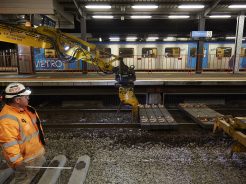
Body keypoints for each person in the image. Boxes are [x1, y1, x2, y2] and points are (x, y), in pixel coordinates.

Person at [0, 83, 46, 184]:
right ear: (17, 100)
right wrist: (18, 163)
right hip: (26, 160)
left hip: (35, 153)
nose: (28, 98)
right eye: (26, 96)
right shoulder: (7, 119)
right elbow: (9, 144)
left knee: (33, 174)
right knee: (23, 180)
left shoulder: (26, 109)